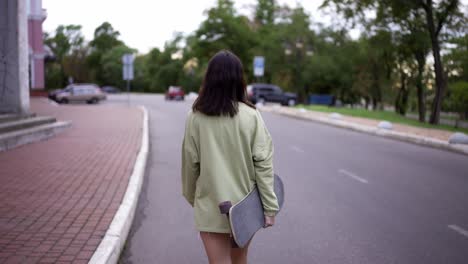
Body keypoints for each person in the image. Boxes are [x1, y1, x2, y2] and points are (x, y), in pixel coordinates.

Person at [181, 50, 279, 264]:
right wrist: (269, 207)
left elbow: (190, 164)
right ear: (238, 79)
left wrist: (193, 198)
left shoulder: (195, 117)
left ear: (210, 79)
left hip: (211, 205)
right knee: (240, 259)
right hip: (245, 207)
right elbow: (263, 164)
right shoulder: (252, 116)